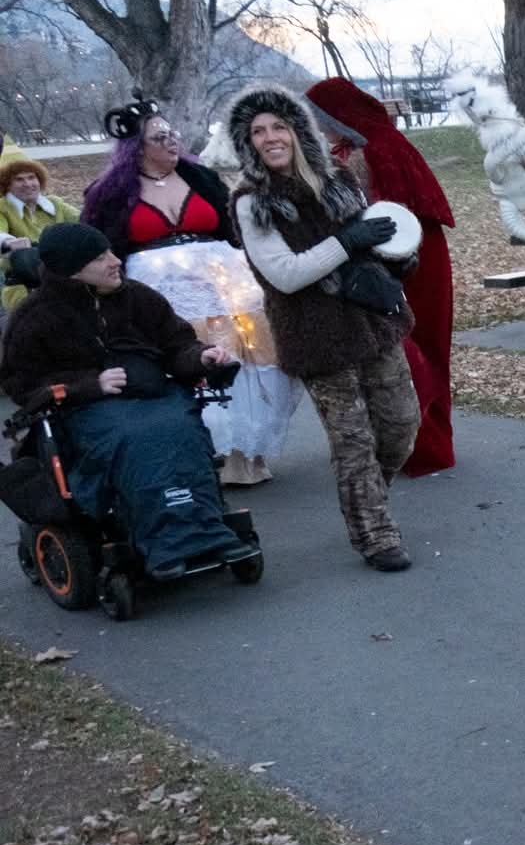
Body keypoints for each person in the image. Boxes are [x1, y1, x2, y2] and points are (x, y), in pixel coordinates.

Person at [226, 83, 420, 573]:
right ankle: (373, 532)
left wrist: (397, 257)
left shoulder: (339, 179)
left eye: (278, 126)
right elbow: (285, 275)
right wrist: (346, 240)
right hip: (315, 334)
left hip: (372, 320)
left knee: (400, 426)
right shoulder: (253, 202)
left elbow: (372, 243)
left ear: (297, 131)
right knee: (351, 440)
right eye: (257, 131)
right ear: (247, 143)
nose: (270, 137)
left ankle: (366, 499)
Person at [1, 222, 255, 578]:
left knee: (182, 429)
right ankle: (167, 544)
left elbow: (176, 345)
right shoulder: (34, 317)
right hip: (85, 412)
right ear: (73, 271)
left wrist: (201, 357)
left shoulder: (138, 297)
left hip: (154, 395)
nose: (115, 261)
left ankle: (205, 530)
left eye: (111, 251)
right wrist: (88, 385)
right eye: (100, 257)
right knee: (136, 439)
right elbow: (22, 385)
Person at [81, 94, 301, 487]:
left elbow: (234, 226)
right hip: (161, 295)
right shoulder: (111, 193)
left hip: (228, 286)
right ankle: (201, 454)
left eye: (172, 134)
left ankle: (245, 455)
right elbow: (100, 244)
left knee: (247, 364)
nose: (171, 142)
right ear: (138, 146)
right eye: (159, 137)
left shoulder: (201, 178)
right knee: (191, 362)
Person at [306, 77, 458, 477]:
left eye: (322, 118)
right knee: (403, 347)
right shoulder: (353, 149)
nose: (319, 126)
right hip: (391, 259)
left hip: (410, 260)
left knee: (415, 346)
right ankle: (408, 443)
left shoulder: (379, 149)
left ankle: (425, 445)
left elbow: (387, 213)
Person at [2, 157, 81, 314]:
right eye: (19, 180)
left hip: (62, 273)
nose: (28, 184)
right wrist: (9, 242)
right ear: (8, 185)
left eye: (32, 177)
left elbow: (82, 219)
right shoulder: (3, 207)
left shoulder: (54, 203)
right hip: (23, 280)